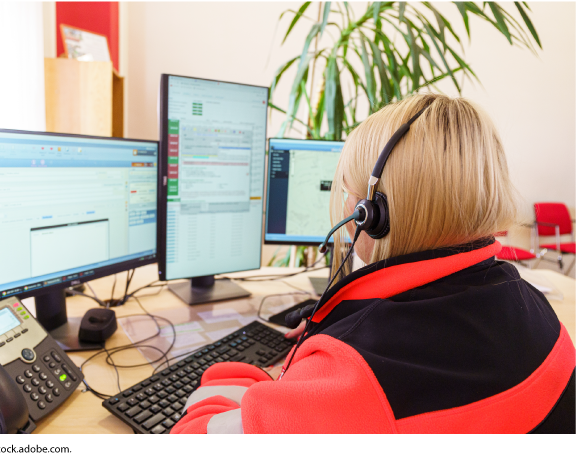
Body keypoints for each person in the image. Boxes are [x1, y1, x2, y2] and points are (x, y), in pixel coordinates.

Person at [171, 93, 575, 434]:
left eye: (347, 191)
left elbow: (192, 435)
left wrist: (262, 378)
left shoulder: (358, 375)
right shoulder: (534, 308)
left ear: (372, 213)